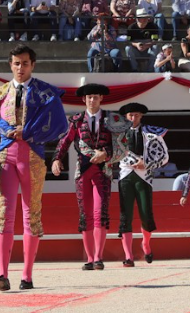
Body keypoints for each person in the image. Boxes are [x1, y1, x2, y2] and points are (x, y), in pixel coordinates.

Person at [0, 46, 68, 291]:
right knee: (4, 214)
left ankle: (27, 275)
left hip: (33, 159)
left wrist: (30, 132)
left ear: (33, 64)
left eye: (24, 63)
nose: (20, 68)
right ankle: (2, 274)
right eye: (16, 63)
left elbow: (59, 125)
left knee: (31, 214)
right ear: (10, 65)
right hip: (6, 159)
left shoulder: (46, 93)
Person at [53, 83, 130, 271]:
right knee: (85, 215)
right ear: (84, 99)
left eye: (95, 97)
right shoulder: (77, 120)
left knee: (99, 213)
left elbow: (122, 145)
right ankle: (89, 257)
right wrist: (56, 159)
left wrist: (106, 154)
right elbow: (65, 140)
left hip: (103, 171)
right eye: (89, 97)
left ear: (101, 98)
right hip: (83, 172)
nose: (92, 100)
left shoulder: (112, 119)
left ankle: (98, 257)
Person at [116, 103, 169, 267]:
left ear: (141, 116)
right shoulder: (116, 132)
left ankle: (145, 244)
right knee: (126, 215)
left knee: (146, 213)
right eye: (131, 115)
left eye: (137, 115)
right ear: (126, 116)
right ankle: (128, 255)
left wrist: (146, 163)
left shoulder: (151, 132)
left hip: (144, 175)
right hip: (125, 174)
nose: (133, 118)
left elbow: (162, 155)